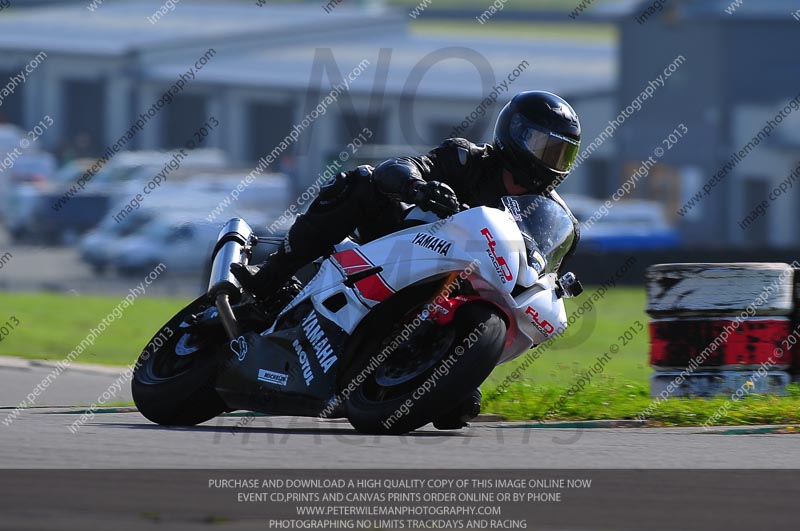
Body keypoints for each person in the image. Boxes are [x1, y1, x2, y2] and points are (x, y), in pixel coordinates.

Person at [232, 90, 582, 299]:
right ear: (515, 133)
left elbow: (541, 284)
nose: (549, 160)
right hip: (399, 245)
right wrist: (419, 188)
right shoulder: (464, 158)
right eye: (543, 146)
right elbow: (399, 167)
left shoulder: (552, 217)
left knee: (457, 407)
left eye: (559, 153)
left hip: (464, 288)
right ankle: (271, 276)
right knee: (361, 183)